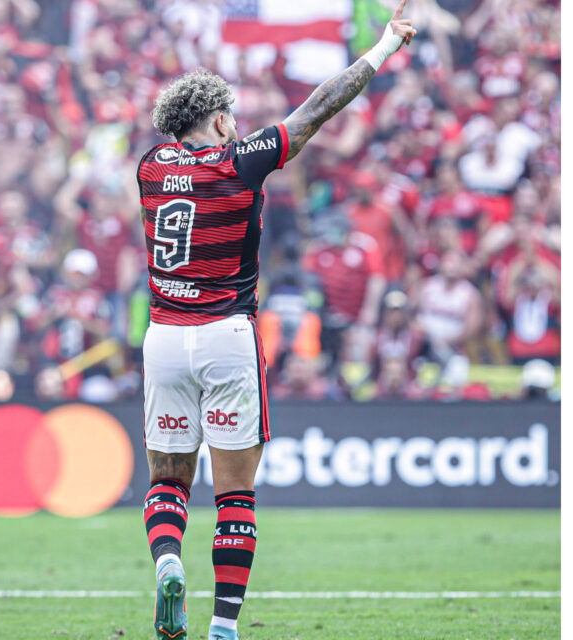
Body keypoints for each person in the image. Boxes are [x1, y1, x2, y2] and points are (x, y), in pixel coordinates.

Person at [134, 3, 416, 639]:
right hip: (227, 335)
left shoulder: (151, 166)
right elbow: (318, 107)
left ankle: (169, 560)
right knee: (234, 496)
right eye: (228, 115)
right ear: (215, 118)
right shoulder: (240, 162)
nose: (236, 125)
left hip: (163, 339)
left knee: (167, 477)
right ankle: (224, 629)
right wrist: (383, 49)